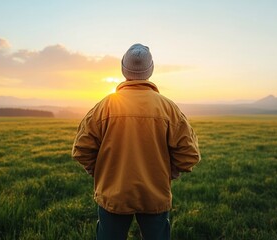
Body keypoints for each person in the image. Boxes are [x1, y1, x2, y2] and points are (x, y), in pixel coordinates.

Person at [72, 43, 200, 240]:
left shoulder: (105, 106)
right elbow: (189, 154)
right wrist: (169, 173)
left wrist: (100, 172)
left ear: (123, 69)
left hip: (113, 195)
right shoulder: (168, 108)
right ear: (151, 70)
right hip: (155, 195)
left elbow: (81, 149)